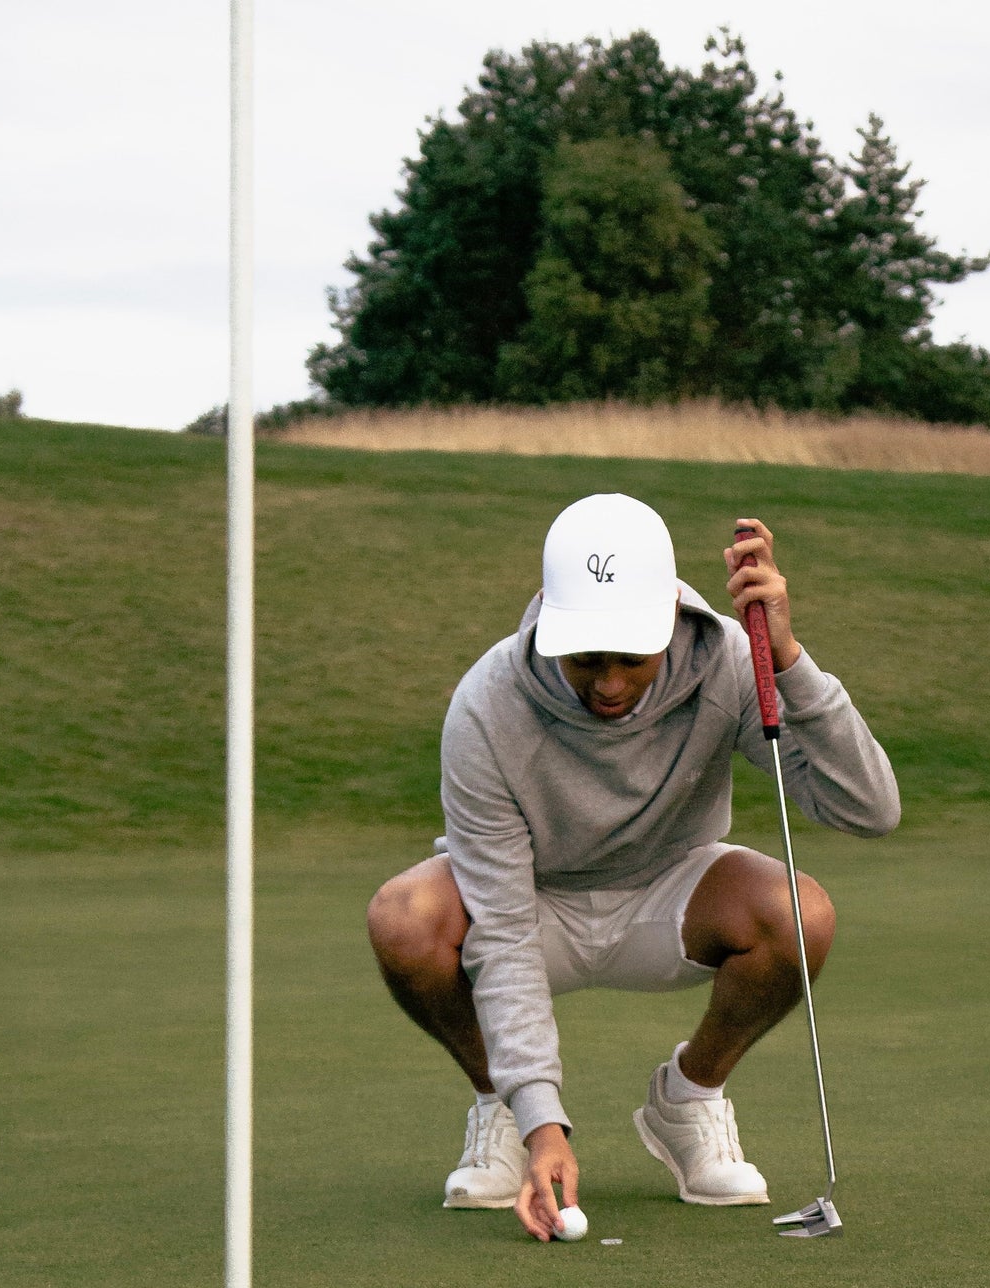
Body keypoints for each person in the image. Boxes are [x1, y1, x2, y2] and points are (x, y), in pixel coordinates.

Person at [367, 493, 899, 1241]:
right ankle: (499, 1109)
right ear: (551, 620)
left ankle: (687, 1099)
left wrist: (786, 659)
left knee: (799, 911)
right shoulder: (487, 706)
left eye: (631, 657)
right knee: (404, 917)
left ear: (669, 622)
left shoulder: (728, 661)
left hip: (669, 895)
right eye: (586, 657)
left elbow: (868, 809)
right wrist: (542, 1121)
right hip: (533, 902)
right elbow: (505, 927)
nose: (609, 684)